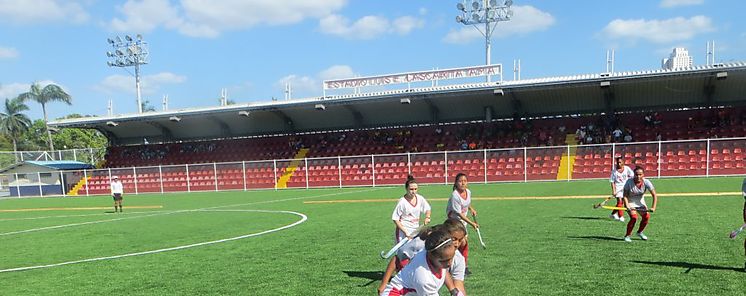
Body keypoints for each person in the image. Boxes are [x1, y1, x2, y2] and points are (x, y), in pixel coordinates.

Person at [378, 219, 467, 295]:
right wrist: (383, 284)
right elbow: (397, 259)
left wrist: (454, 291)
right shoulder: (424, 278)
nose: (449, 263)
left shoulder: (439, 256)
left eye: (451, 259)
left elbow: (444, 270)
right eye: (454, 239)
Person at [391, 176, 432, 264]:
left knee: (415, 253)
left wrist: (427, 217)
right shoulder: (402, 202)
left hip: (416, 230)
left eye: (415, 189)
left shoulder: (420, 198)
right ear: (406, 189)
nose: (413, 191)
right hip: (403, 231)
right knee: (402, 254)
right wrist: (405, 232)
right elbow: (395, 219)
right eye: (411, 189)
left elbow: (427, 208)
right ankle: (400, 273)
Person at [446, 173, 478, 275]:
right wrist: (472, 223)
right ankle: (452, 264)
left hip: (462, 221)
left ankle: (462, 265)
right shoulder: (455, 195)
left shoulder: (468, 192)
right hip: (454, 222)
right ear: (456, 183)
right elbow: (459, 213)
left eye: (465, 181)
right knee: (460, 243)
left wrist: (471, 208)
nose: (463, 183)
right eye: (460, 181)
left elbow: (466, 203)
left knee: (463, 243)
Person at [622, 167, 658, 242]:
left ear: (643, 175)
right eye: (636, 174)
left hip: (640, 202)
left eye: (640, 174)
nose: (638, 176)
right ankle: (627, 236)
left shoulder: (646, 182)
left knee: (646, 216)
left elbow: (654, 195)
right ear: (634, 175)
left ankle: (639, 232)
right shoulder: (629, 182)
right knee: (634, 218)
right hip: (630, 202)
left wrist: (653, 207)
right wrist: (627, 205)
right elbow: (624, 196)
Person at [609, 157, 634, 222]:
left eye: (620, 162)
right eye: (617, 162)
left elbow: (632, 176)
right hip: (618, 188)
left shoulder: (627, 168)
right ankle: (621, 217)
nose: (619, 164)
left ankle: (613, 214)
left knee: (623, 202)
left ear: (623, 162)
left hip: (625, 187)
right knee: (619, 202)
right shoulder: (614, 171)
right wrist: (614, 191)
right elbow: (612, 182)